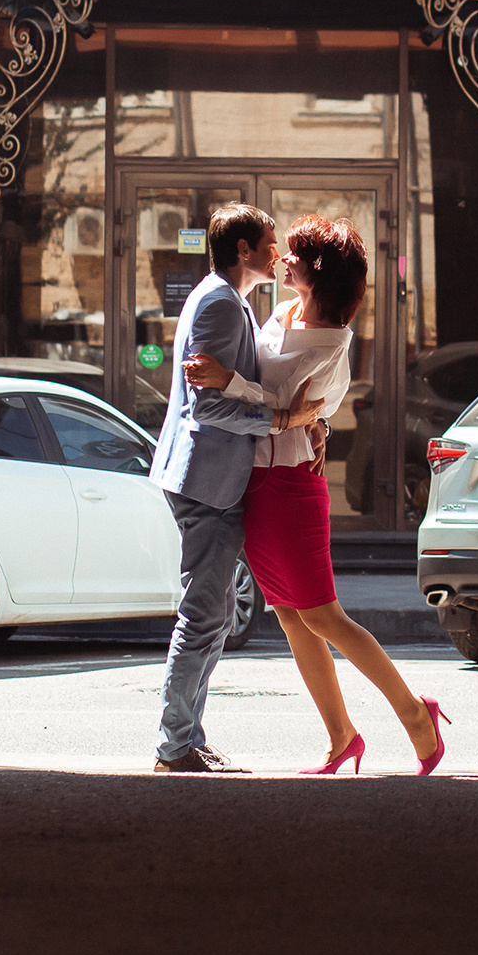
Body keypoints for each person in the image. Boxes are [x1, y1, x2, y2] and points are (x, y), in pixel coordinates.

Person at [182, 215, 450, 776]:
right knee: (290, 619)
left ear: (318, 271)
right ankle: (341, 736)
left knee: (325, 616)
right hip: (255, 483)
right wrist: (282, 407)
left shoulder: (333, 346)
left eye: (294, 255)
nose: (282, 260)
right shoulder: (281, 312)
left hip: (293, 489)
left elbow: (274, 402)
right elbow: (277, 402)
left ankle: (413, 712)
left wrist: (233, 384)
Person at [146, 204, 324, 773]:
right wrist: (280, 422)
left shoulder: (228, 300)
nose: (278, 253)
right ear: (244, 248)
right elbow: (210, 404)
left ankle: (186, 739)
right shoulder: (222, 302)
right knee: (203, 614)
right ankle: (175, 745)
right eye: (270, 243)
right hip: (206, 479)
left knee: (215, 610)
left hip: (206, 477)